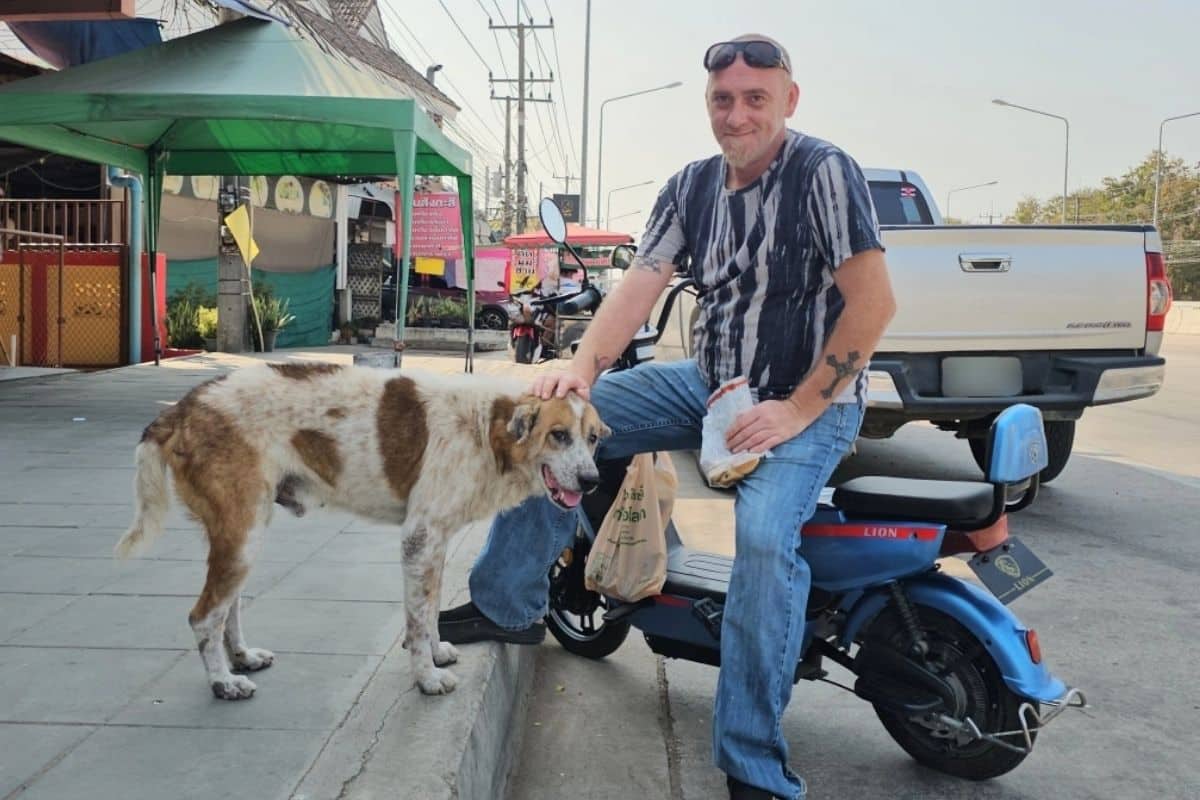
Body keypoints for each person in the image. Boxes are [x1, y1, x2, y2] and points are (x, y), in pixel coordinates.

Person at [439, 34, 897, 800]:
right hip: (710, 384)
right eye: (724, 99)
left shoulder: (824, 172)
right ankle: (510, 604)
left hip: (805, 397)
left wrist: (795, 410)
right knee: (555, 428)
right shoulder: (690, 187)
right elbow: (640, 284)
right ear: (709, 104)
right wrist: (581, 371)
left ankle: (752, 765)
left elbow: (874, 303)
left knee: (762, 543)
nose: (738, 113)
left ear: (789, 99)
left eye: (757, 97)